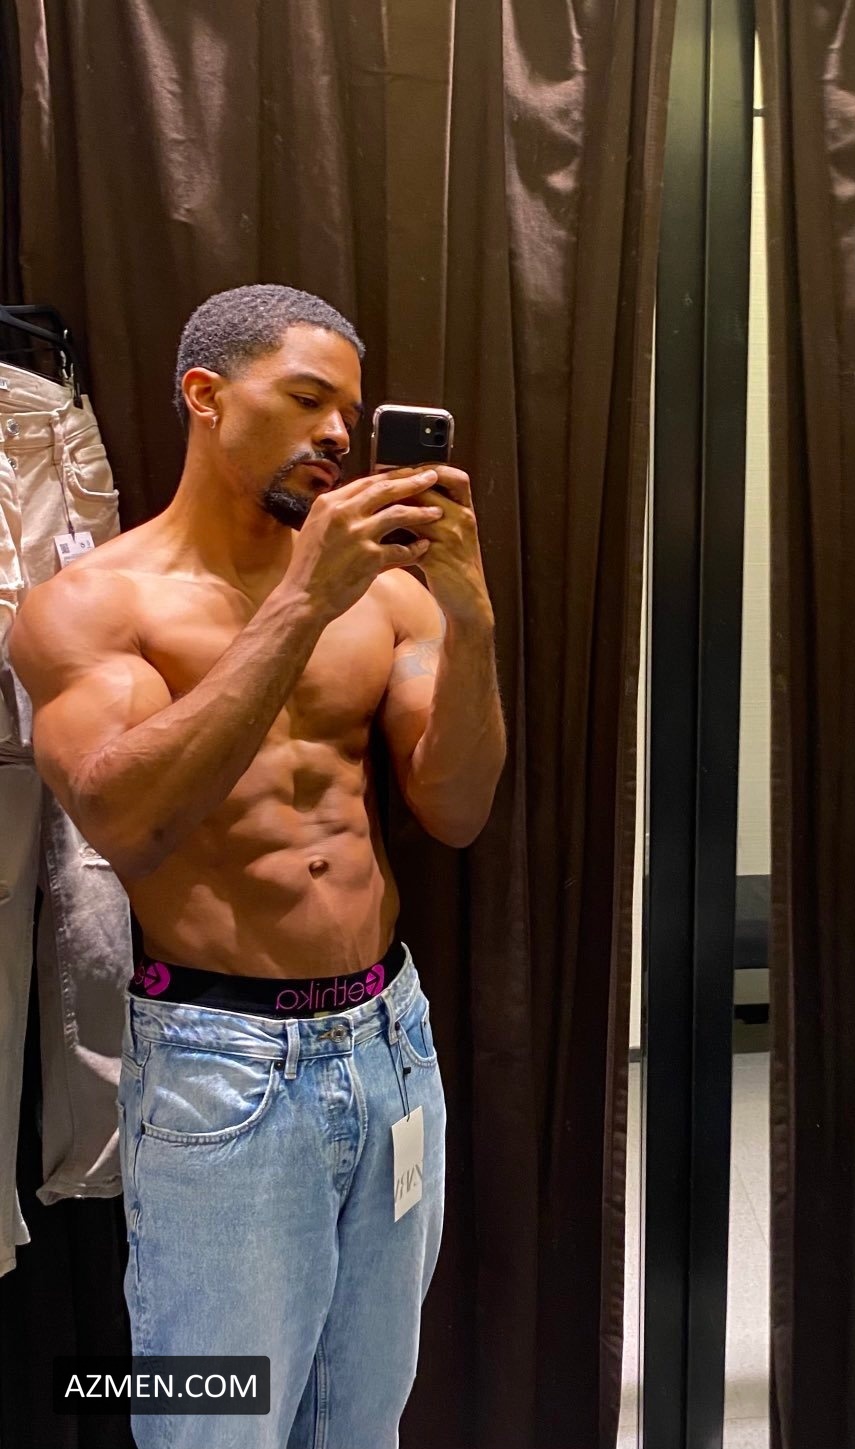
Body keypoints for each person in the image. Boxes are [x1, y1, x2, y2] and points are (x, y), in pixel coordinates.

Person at [7, 284, 506, 1449]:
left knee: (362, 1420)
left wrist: (471, 619)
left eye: (351, 414)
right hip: (221, 1070)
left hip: (390, 1046)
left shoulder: (389, 597)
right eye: (308, 399)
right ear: (207, 395)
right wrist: (300, 603)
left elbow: (458, 808)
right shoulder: (90, 607)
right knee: (216, 1421)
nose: (338, 434)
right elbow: (131, 823)